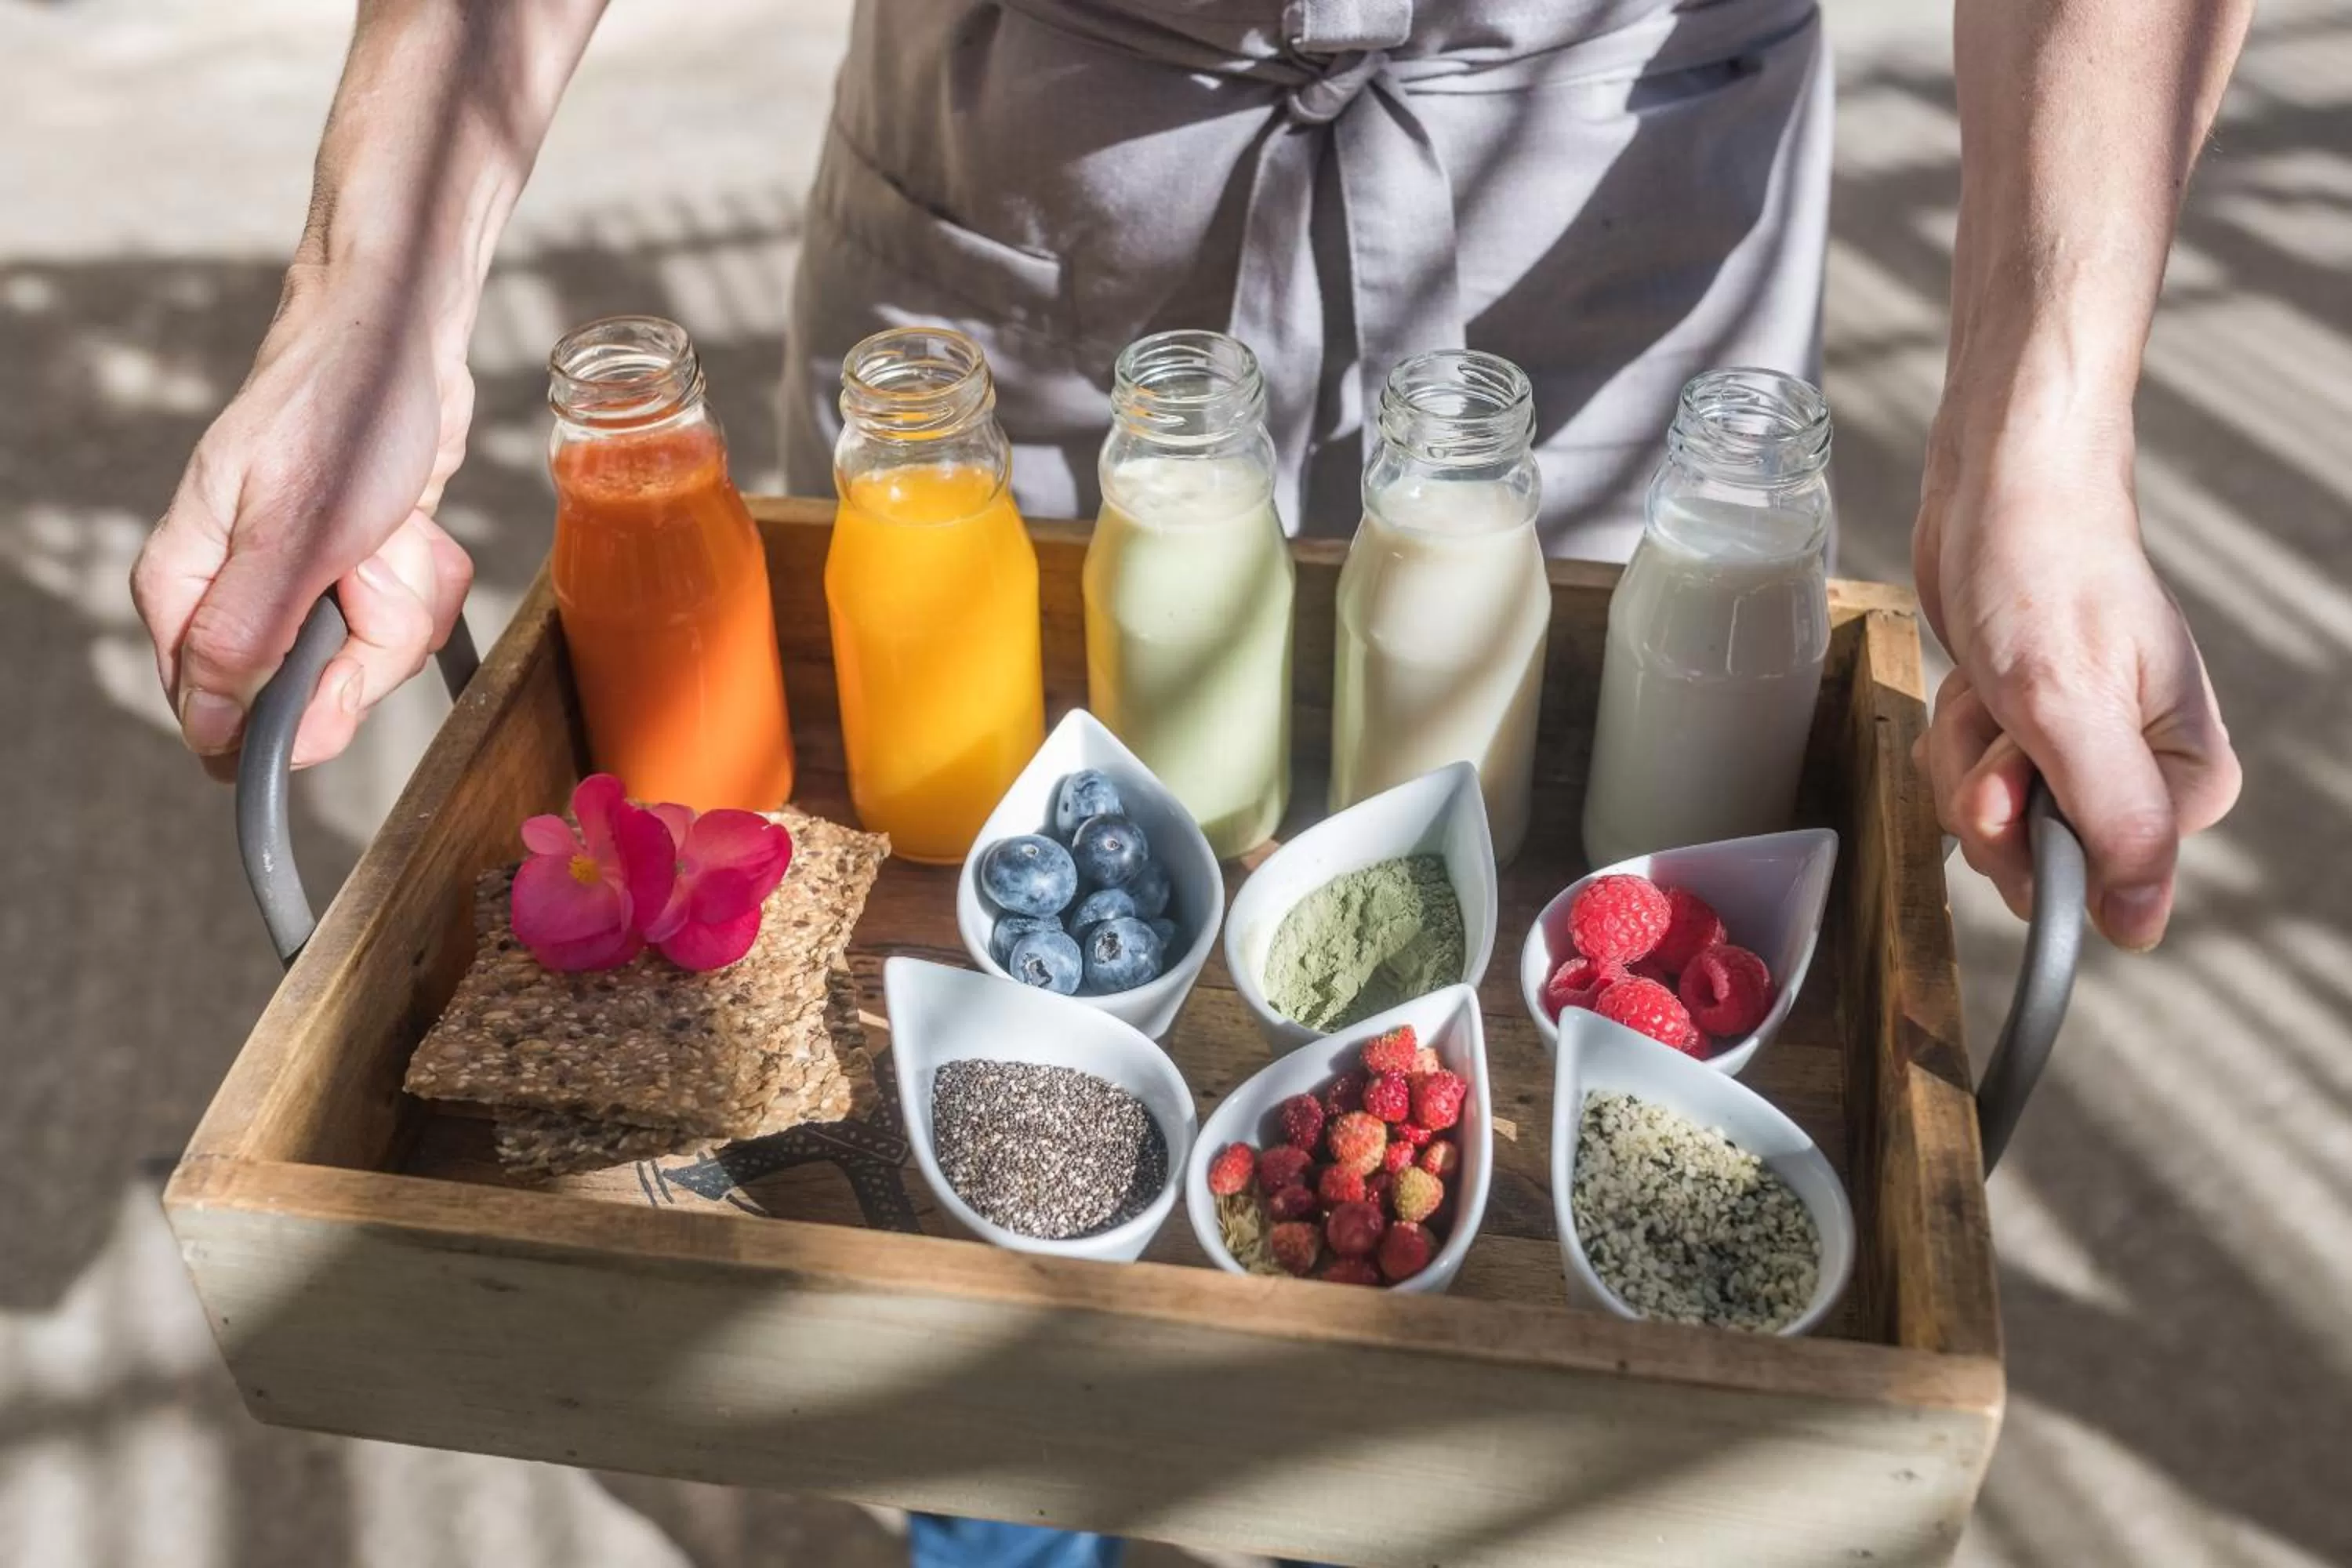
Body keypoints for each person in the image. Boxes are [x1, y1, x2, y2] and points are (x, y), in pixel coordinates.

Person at [128, 0, 2245, 1558]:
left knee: (1489, 1420)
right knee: (976, 1390)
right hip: (1041, 195)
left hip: (1607, 226)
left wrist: (2050, 419)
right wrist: (369, 294)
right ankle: (995, 1523)